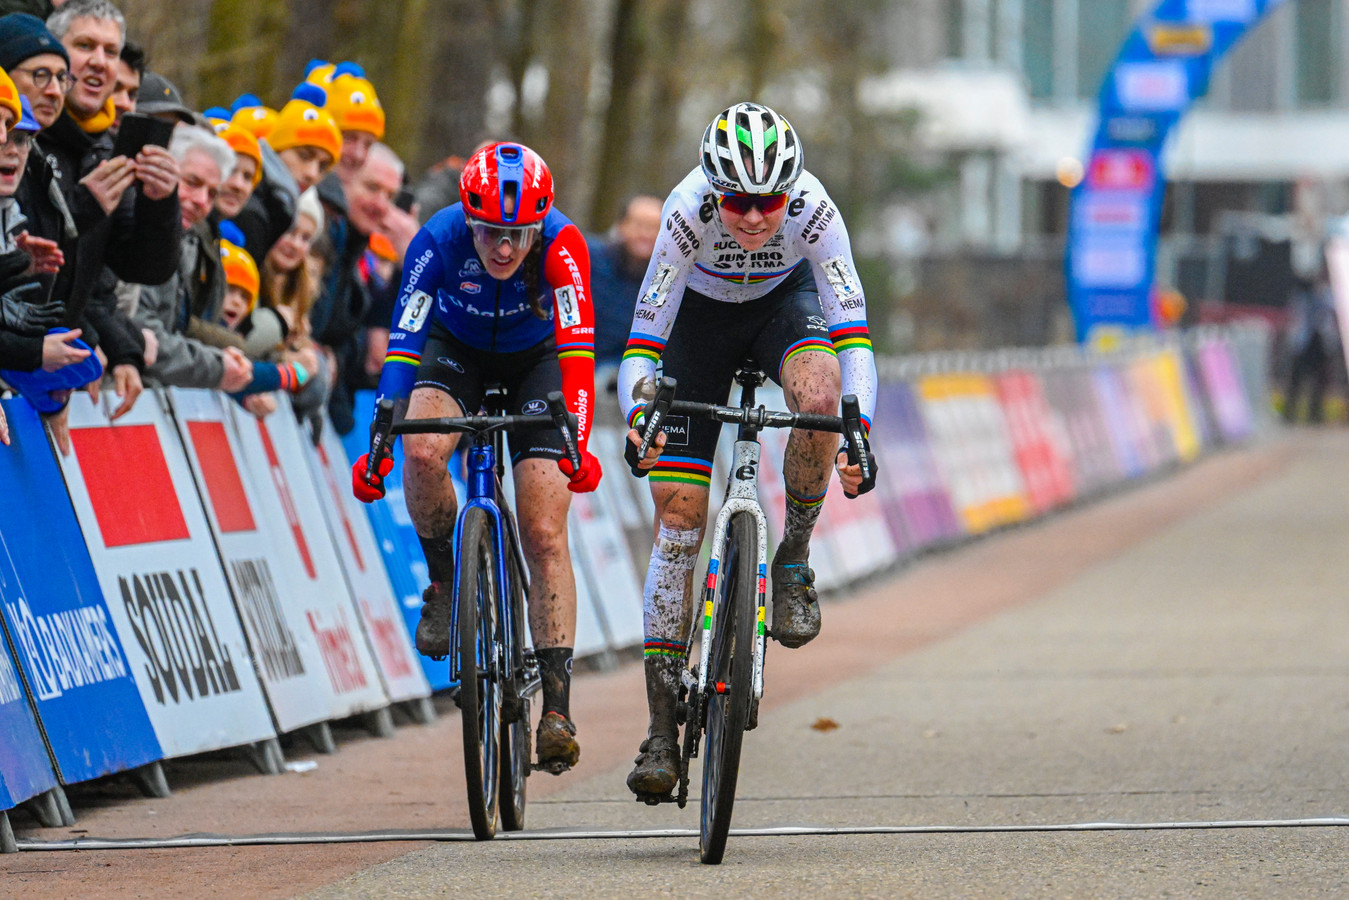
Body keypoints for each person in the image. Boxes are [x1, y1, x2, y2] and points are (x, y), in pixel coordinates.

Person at [617, 102, 879, 798]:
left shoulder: (814, 210)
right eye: (738, 201)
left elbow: (852, 331)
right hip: (695, 327)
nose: (756, 217)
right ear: (712, 188)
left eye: (769, 201)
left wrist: (861, 426)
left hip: (780, 308)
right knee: (677, 518)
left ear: (790, 191)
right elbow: (643, 340)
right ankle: (658, 729)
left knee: (820, 401)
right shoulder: (682, 213)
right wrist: (640, 414)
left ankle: (791, 558)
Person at [352, 141, 602, 773]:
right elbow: (405, 342)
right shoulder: (436, 240)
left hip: (537, 360)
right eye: (489, 231)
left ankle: (556, 708)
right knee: (424, 450)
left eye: (517, 234)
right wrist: (383, 435)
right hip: (453, 349)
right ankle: (443, 582)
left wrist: (578, 440)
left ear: (538, 225)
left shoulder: (563, 245)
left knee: (544, 531)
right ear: (468, 217)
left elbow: (577, 352)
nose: (503, 248)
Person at [588, 192, 661, 384]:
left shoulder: (668, 280)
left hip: (621, 374)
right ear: (620, 225)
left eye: (654, 227)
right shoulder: (589, 258)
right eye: (638, 225)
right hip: (577, 358)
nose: (645, 234)